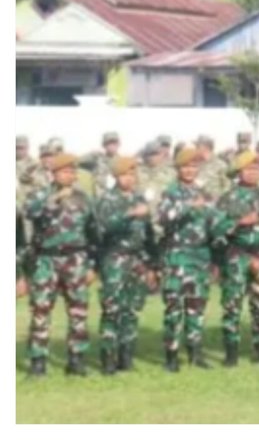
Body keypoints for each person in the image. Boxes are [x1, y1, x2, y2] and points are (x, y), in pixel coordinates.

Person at [24, 151, 94, 378]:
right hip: (47, 259)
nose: (69, 175)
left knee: (78, 311)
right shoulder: (41, 195)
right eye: (64, 171)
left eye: (72, 171)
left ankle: (76, 360)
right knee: (41, 310)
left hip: (76, 259)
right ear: (53, 174)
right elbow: (30, 212)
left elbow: (94, 232)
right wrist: (52, 200)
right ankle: (38, 361)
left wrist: (91, 264)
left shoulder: (83, 199)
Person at [209, 148, 259, 368]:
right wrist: (238, 223)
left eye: (257, 168)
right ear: (239, 172)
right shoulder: (227, 199)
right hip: (236, 257)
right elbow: (216, 230)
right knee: (232, 306)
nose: (254, 173)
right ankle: (231, 352)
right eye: (249, 169)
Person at [94, 152, 156, 374]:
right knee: (112, 308)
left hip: (136, 259)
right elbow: (104, 227)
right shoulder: (106, 200)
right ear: (115, 176)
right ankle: (108, 358)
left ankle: (126, 356)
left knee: (131, 309)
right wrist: (129, 214)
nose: (129, 178)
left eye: (132, 173)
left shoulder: (140, 199)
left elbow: (148, 235)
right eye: (124, 174)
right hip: (114, 257)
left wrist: (152, 264)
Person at [156, 145, 214, 371]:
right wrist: (188, 205)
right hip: (177, 257)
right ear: (178, 169)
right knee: (173, 309)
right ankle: (171, 356)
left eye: (194, 166)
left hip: (200, 257)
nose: (190, 170)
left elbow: (213, 221)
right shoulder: (170, 192)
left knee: (196, 307)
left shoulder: (205, 193)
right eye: (185, 167)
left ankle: (195, 353)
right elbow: (163, 218)